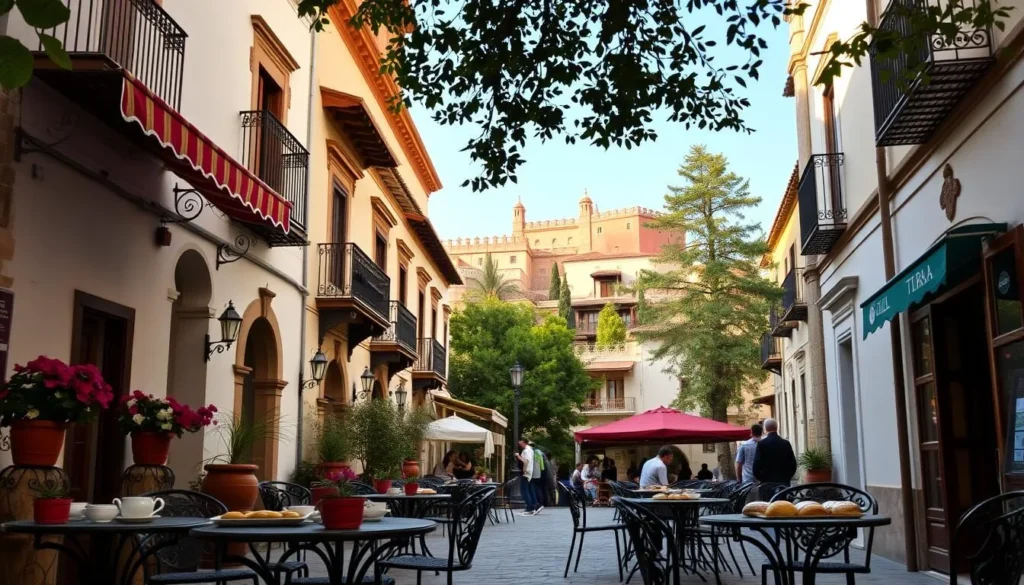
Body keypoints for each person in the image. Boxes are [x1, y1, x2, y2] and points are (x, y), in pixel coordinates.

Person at [753, 418, 797, 485]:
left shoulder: (762, 444)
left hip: (767, 483)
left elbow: (756, 464)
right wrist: (787, 477)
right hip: (783, 483)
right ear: (777, 428)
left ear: (765, 429)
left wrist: (762, 478)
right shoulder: (786, 443)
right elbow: (793, 464)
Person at [514, 439, 538, 516]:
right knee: (529, 489)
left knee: (524, 491)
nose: (519, 444)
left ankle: (529, 507)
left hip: (526, 473)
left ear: (524, 442)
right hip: (529, 472)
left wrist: (518, 456)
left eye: (520, 442)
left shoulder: (526, 451)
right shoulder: (530, 450)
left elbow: (525, 461)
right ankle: (533, 506)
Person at [531, 443, 548, 513]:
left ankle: (539, 503)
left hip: (537, 473)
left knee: (536, 488)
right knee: (540, 488)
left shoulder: (534, 453)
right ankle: (543, 503)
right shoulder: (541, 453)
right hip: (542, 473)